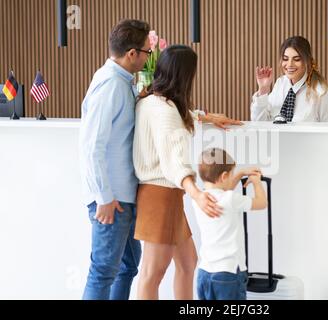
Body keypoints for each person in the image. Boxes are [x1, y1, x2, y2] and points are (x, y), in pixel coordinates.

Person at [133, 45, 241, 300]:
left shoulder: (152, 101)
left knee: (188, 262)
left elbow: (182, 115)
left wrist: (210, 117)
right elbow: (176, 162)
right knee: (152, 273)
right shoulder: (165, 111)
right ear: (184, 75)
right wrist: (198, 194)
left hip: (165, 195)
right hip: (160, 196)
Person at [79, 19, 151, 300]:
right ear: (132, 53)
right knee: (103, 272)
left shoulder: (122, 83)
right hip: (112, 199)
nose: (148, 57)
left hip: (124, 197)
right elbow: (91, 146)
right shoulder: (110, 84)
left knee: (128, 267)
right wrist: (104, 197)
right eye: (146, 51)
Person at [193, 148, 267, 300]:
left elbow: (223, 190)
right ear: (224, 176)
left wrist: (239, 174)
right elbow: (262, 203)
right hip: (228, 274)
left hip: (204, 273)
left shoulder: (200, 201)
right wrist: (256, 183)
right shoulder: (231, 199)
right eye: (232, 174)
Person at [251, 36, 328, 123]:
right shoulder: (280, 83)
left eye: (296, 59)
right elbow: (260, 123)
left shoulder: (321, 93)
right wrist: (263, 89)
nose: (289, 64)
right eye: (285, 59)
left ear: (306, 61)